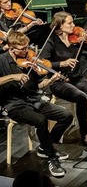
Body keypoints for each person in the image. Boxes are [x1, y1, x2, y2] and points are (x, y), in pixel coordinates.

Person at [0, 31, 72, 178]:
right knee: (41, 120)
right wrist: (13, 76)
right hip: (14, 104)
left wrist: (51, 80)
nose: (26, 51)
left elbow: (38, 87)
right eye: (22, 49)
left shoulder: (29, 62)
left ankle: (46, 147)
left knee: (67, 115)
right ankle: (52, 158)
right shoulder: (1, 60)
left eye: (27, 47)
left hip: (34, 100)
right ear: (11, 48)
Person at [40, 11, 87, 146]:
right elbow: (42, 63)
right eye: (69, 23)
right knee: (81, 97)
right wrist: (61, 64)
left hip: (76, 78)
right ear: (60, 26)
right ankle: (85, 133)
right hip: (58, 81)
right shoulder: (51, 42)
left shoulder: (76, 39)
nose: (73, 25)